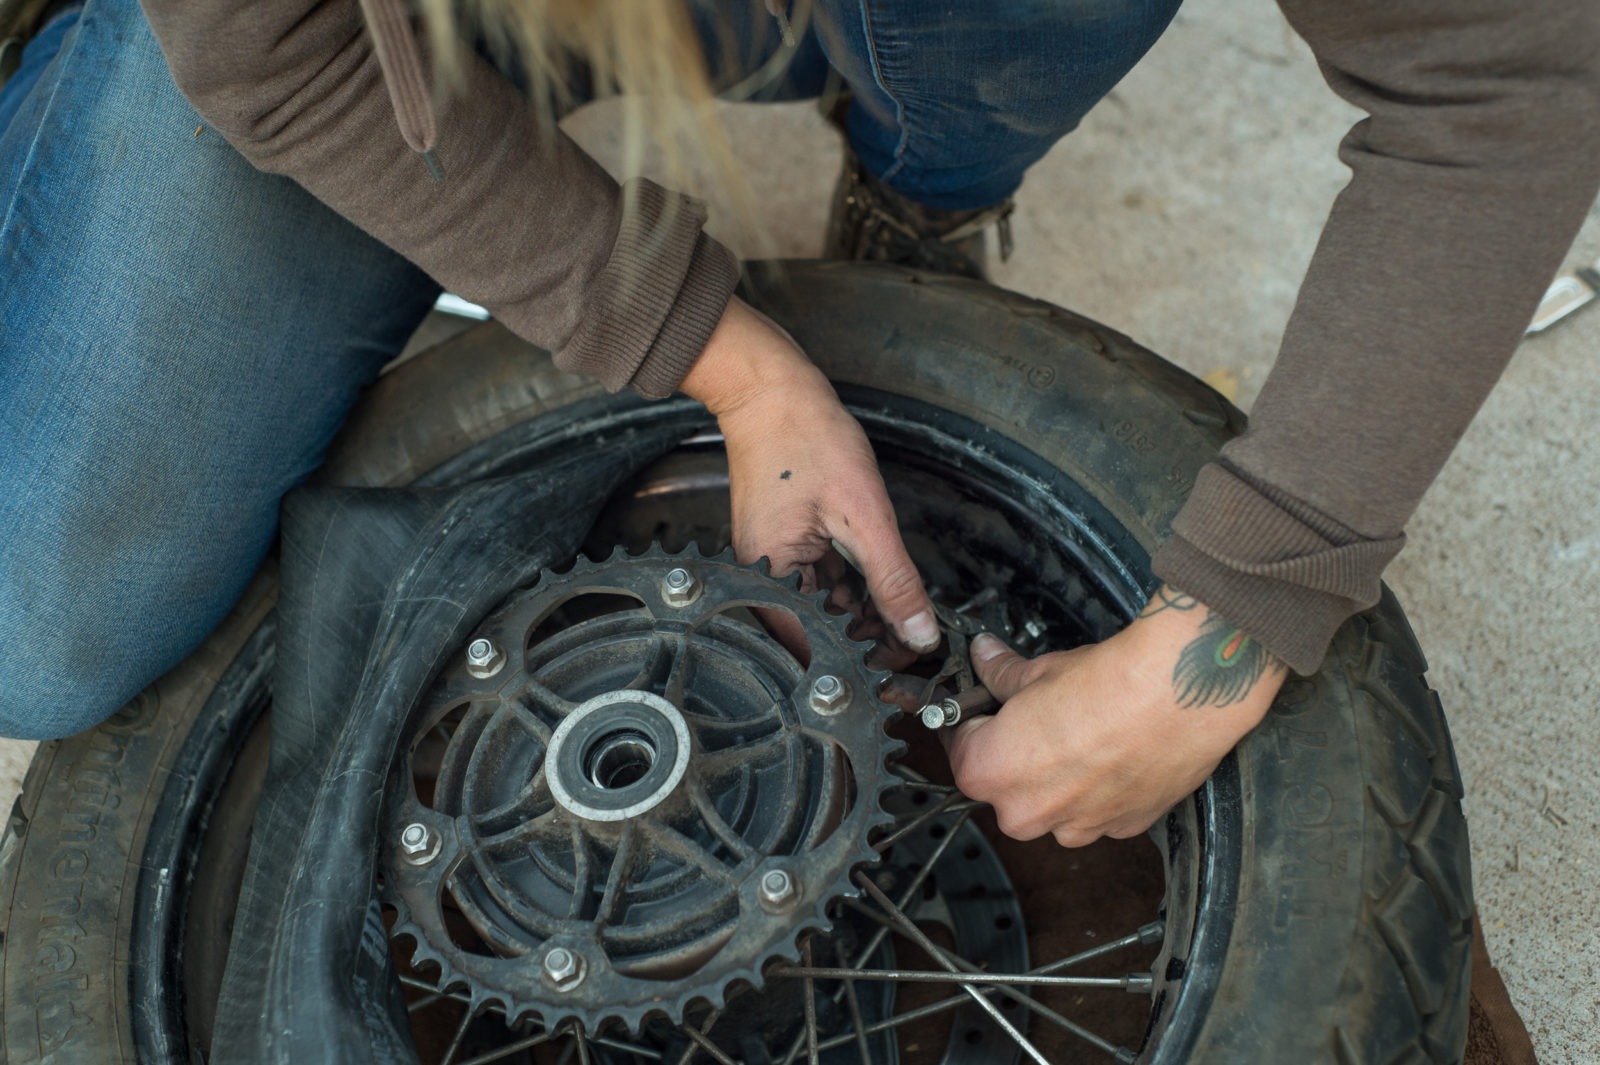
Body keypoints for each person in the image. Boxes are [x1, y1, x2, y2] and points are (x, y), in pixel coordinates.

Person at [1, 0, 1596, 851]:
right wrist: (710, 348)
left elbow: (1517, 74)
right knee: (41, 629)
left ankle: (928, 175)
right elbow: (268, 49)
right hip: (357, 24)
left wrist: (1233, 626)